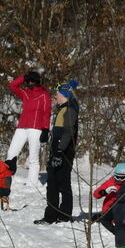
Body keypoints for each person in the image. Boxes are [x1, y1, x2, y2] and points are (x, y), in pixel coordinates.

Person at [35, 81, 79, 225]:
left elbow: (69, 132)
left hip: (65, 151)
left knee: (63, 184)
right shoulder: (62, 109)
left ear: (64, 95)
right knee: (52, 183)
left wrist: (60, 152)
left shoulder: (70, 109)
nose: (55, 96)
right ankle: (50, 216)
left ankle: (65, 216)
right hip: (57, 150)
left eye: (58, 94)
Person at [5, 71, 51, 184]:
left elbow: (47, 113)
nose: (29, 83)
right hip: (22, 127)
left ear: (36, 81)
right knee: (11, 153)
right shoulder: (25, 93)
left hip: (36, 128)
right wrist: (23, 77)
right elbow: (12, 86)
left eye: (31, 80)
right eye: (28, 81)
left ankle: (32, 182)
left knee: (33, 157)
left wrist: (45, 129)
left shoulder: (44, 95)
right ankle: (7, 178)